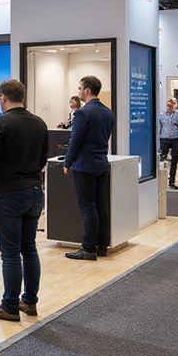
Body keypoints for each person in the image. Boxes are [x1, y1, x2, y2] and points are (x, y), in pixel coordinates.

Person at [0, 79, 49, 322]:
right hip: (33, 191)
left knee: (9, 252)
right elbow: (43, 158)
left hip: (8, 192)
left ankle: (9, 306)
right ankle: (29, 301)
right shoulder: (39, 123)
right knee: (29, 247)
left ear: (2, 98)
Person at [63, 75, 115, 261]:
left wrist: (67, 162)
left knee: (88, 207)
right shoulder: (108, 112)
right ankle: (102, 245)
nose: (78, 92)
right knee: (101, 205)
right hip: (102, 163)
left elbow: (75, 142)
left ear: (86, 90)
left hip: (84, 166)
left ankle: (88, 248)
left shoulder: (82, 113)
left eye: (79, 89)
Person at [157, 98, 178, 191]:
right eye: (168, 105)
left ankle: (172, 181)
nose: (169, 107)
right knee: (162, 159)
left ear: (175, 105)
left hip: (175, 138)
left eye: (171, 105)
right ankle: (161, 180)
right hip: (164, 138)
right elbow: (160, 127)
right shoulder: (161, 115)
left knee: (174, 159)